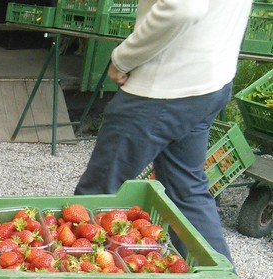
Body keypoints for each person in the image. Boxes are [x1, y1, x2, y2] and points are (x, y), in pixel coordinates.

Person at [74, 0, 253, 264]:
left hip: (161, 88)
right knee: (186, 193)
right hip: (210, 79)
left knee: (97, 195)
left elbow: (182, 7)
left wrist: (123, 58)